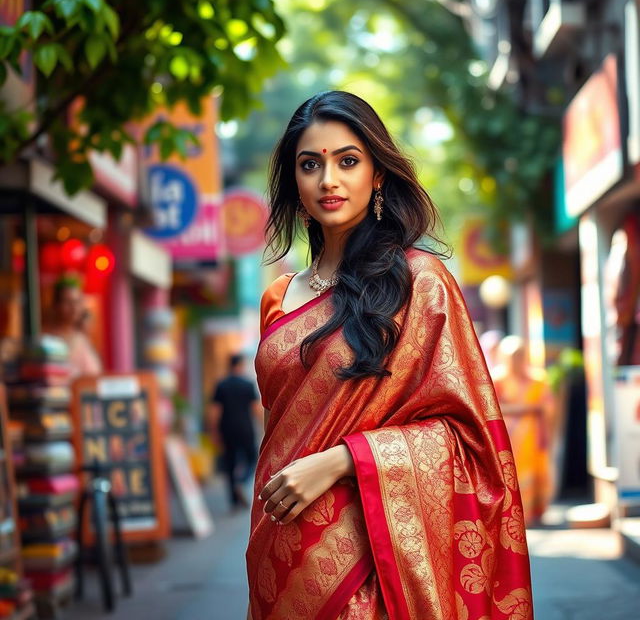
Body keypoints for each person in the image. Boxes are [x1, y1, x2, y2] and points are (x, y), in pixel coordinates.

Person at [246, 91, 533, 619]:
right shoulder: (278, 299)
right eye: (310, 165)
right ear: (294, 181)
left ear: (377, 174)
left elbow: (470, 441)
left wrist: (343, 460)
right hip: (279, 550)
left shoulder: (420, 283)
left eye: (347, 161)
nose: (328, 179)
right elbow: (283, 427)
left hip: (373, 561)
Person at [492, 335, 552, 526]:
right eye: (512, 356)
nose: (516, 360)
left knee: (535, 471)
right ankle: (515, 514)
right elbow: (492, 407)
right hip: (507, 436)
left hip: (532, 434)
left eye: (520, 355)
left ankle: (534, 512)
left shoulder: (538, 381)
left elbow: (548, 406)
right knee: (511, 473)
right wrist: (527, 409)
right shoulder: (497, 380)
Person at [210, 353, 260, 510]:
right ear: (240, 365)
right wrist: (264, 426)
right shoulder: (247, 384)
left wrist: (214, 432)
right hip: (245, 428)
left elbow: (215, 411)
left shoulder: (221, 385)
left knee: (230, 463)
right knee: (252, 457)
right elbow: (256, 409)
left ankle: (233, 501)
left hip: (227, 428)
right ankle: (242, 481)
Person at [44, 276, 102, 378]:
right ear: (56, 305)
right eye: (68, 302)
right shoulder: (47, 340)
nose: (74, 307)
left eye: (77, 302)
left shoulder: (82, 338)